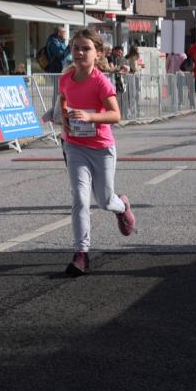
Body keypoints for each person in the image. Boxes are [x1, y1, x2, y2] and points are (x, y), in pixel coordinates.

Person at [57, 29, 136, 277]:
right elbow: (63, 99)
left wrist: (90, 117)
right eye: (76, 48)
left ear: (98, 53)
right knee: (80, 198)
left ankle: (122, 206)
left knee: (104, 201)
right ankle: (81, 253)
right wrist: (64, 116)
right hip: (75, 145)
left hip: (101, 148)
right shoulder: (66, 78)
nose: (80, 52)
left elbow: (116, 115)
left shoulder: (100, 81)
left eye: (86, 48)